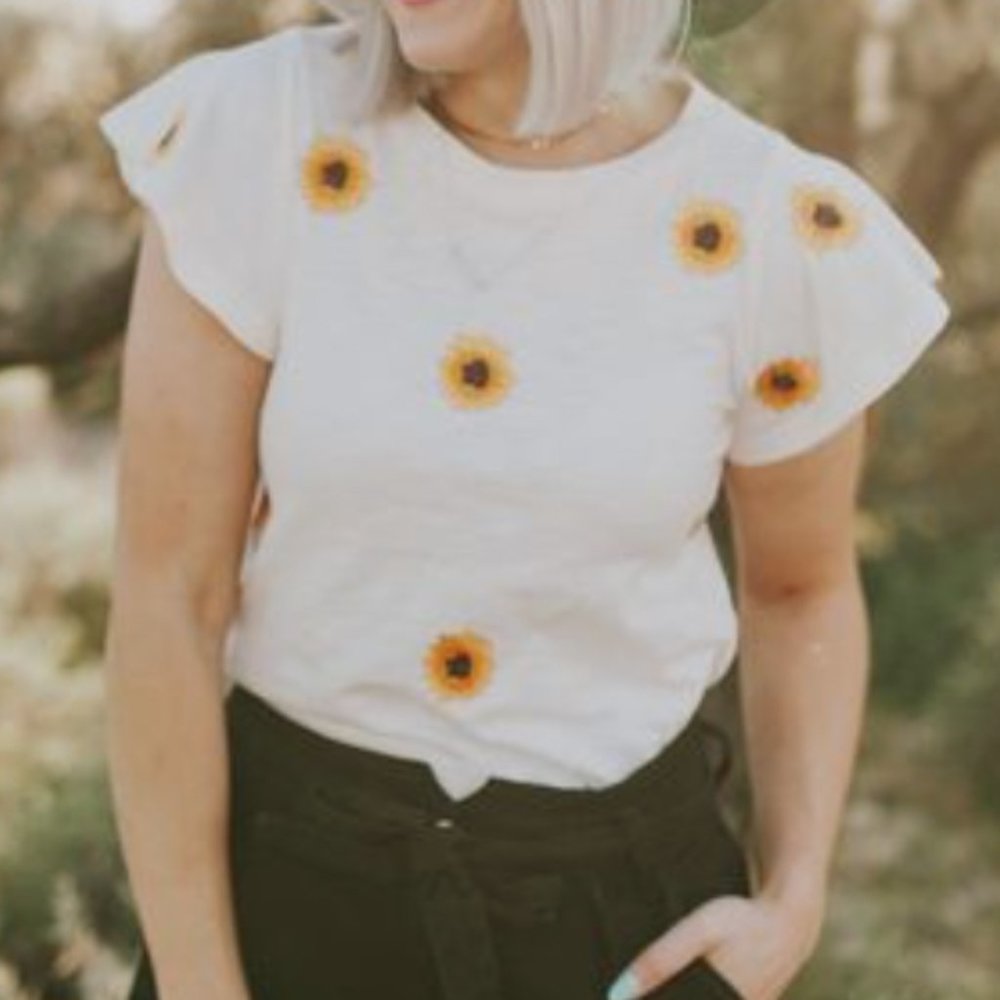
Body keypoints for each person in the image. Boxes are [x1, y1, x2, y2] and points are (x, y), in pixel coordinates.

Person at [97, 0, 951, 998]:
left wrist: (793, 898)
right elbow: (167, 597)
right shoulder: (256, 135)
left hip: (620, 920)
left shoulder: (771, 219)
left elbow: (800, 588)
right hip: (287, 895)